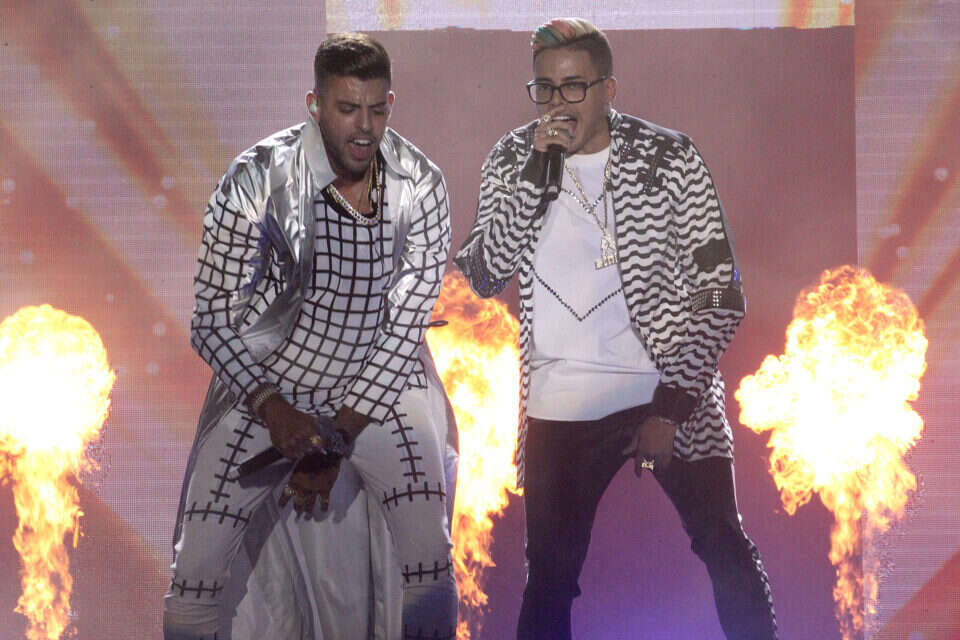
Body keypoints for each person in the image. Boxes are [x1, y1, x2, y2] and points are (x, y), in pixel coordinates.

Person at [454, 17, 778, 640]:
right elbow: (486, 273)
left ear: (608, 89)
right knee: (550, 579)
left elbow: (721, 293)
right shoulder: (514, 159)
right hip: (561, 403)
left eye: (575, 87)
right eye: (545, 89)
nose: (558, 104)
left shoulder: (669, 157)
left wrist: (672, 406)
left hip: (664, 385)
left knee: (723, 544)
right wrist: (534, 179)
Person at [164, 33, 458, 640]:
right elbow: (211, 318)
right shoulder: (256, 178)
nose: (365, 127)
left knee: (429, 559)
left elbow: (405, 328)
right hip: (272, 382)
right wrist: (272, 407)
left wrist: (335, 441)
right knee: (194, 577)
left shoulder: (422, 184)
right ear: (315, 104)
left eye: (377, 109)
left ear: (390, 103)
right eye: (348, 109)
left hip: (383, 385)